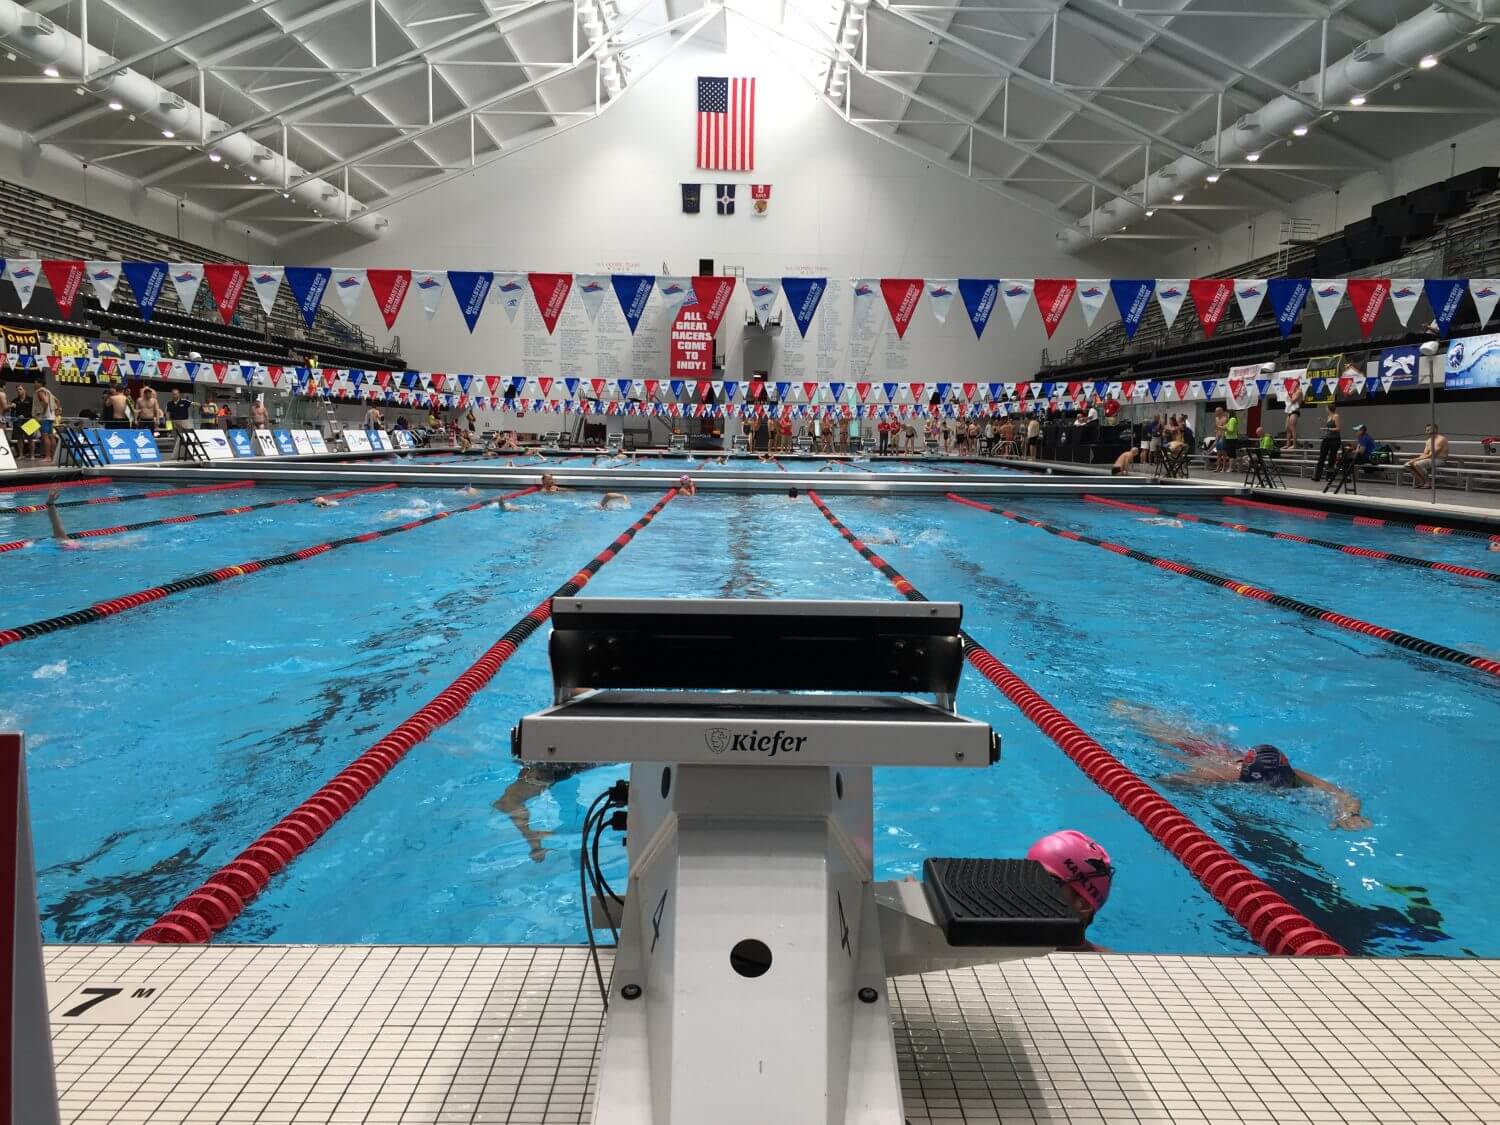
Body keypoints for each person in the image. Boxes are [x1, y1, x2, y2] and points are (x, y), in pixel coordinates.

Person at [1112, 701, 1370, 830]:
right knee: (1160, 732)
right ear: (1250, 779)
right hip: (1197, 751)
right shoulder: (1218, 776)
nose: (1281, 789)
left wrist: (1350, 814)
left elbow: (1342, 794)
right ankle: (1125, 709)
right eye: (1273, 785)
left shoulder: (1290, 775)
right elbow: (1171, 780)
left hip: (1223, 749)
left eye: (1283, 783)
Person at [1027, 830, 1113, 944]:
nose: (1028, 885)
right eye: (1026, 872)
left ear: (1083, 905)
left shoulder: (1105, 961)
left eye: (1046, 880)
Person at [1408, 423, 1449, 489]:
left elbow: (1431, 455)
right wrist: (1415, 459)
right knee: (1408, 465)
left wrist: (1415, 460)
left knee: (1417, 464)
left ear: (1434, 430)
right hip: (1429, 459)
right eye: (1426, 430)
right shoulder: (1428, 441)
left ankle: (1428, 482)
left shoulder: (1441, 439)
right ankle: (1421, 482)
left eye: (1428, 430)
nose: (1426, 432)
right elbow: (1425, 454)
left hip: (1440, 460)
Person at [1312, 403, 1341, 482]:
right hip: (1327, 438)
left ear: (1329, 408)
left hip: (1334, 439)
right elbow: (1327, 427)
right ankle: (1317, 476)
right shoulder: (1328, 417)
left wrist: (1329, 430)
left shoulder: (1336, 416)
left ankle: (1329, 476)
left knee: (1332, 458)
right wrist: (1322, 421)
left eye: (1326, 408)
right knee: (1322, 457)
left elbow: (1338, 428)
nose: (1325, 409)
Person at [33, 382, 58, 463]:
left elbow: (46, 402)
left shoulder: (40, 391)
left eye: (35, 383)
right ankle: (53, 456)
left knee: (45, 437)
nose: (34, 384)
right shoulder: (48, 391)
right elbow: (57, 401)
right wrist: (56, 411)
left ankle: (48, 457)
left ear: (39, 384)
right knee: (51, 436)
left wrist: (42, 411)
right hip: (51, 417)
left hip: (45, 418)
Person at [1282, 382, 1303, 450]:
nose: (1292, 386)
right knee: (1287, 428)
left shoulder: (1299, 391)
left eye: (1293, 385)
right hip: (1290, 412)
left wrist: (1288, 397)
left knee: (1292, 428)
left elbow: (1293, 401)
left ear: (1297, 385)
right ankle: (1288, 444)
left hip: (1295, 411)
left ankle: (1294, 445)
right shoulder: (1293, 392)